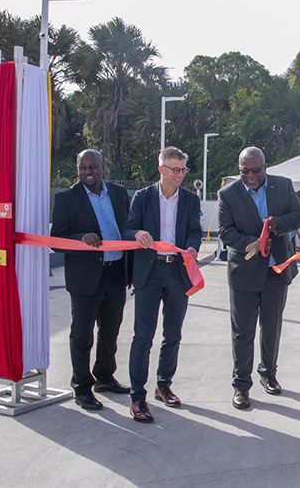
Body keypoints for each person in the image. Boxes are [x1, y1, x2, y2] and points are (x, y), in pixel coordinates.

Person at [218, 146, 300, 410]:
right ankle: (241, 385)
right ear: (239, 169)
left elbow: (299, 216)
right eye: (245, 171)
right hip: (244, 273)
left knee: (272, 327)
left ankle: (268, 373)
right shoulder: (228, 194)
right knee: (242, 332)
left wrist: (277, 224)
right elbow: (225, 231)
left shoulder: (283, 185)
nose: (251, 176)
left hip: (276, 271)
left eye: (256, 170)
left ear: (265, 167)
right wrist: (254, 243)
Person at [125, 147, 202, 423]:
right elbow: (127, 228)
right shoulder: (143, 198)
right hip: (149, 270)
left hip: (177, 272)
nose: (180, 175)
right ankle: (137, 397)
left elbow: (194, 229)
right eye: (175, 170)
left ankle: (163, 384)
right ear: (161, 170)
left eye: (183, 169)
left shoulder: (191, 200)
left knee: (173, 334)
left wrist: (193, 247)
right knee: (142, 336)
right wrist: (137, 232)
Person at [50, 149, 131, 411]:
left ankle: (105, 378)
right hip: (85, 277)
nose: (88, 172)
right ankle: (82, 387)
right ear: (77, 168)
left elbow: (128, 229)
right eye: (83, 167)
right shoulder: (67, 199)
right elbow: (56, 241)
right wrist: (80, 238)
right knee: (82, 335)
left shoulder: (119, 194)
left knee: (110, 331)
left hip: (116, 272)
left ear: (102, 167)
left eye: (92, 167)